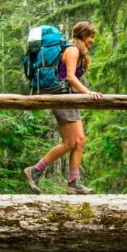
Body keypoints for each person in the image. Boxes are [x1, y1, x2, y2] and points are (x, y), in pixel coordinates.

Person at [24, 20, 103, 194]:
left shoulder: (75, 50)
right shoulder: (73, 50)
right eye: (91, 36)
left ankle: (73, 182)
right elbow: (69, 77)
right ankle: (35, 170)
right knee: (69, 142)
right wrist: (89, 93)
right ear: (83, 35)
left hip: (69, 98)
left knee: (80, 140)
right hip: (61, 97)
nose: (93, 40)